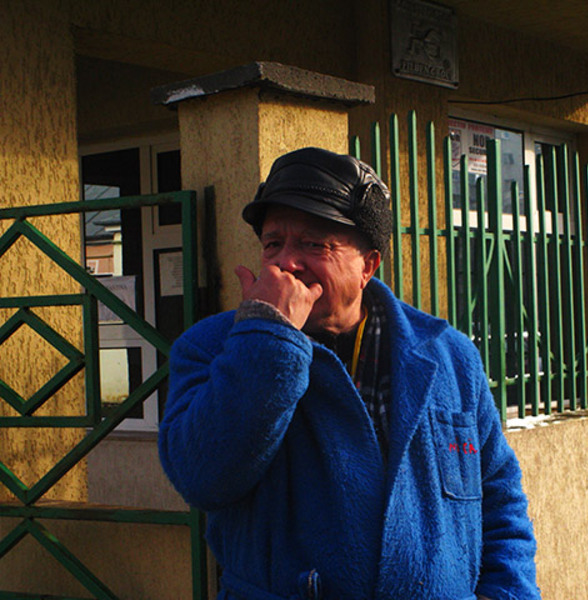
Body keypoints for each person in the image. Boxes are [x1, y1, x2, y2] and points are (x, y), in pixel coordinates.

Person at [158, 147, 540, 600]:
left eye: (313, 244)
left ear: (368, 265)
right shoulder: (213, 347)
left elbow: (498, 497)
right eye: (273, 243)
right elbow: (201, 478)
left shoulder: (448, 356)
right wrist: (267, 339)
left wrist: (506, 593)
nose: (286, 262)